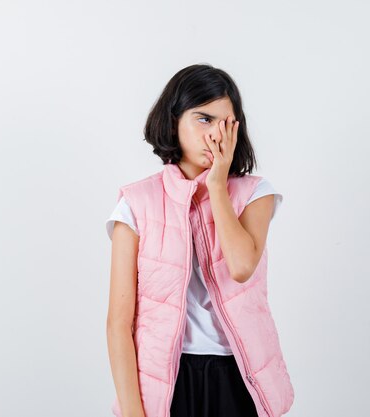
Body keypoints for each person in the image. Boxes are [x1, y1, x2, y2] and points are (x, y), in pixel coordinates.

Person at [105, 63, 294, 417]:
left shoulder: (255, 194)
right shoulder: (136, 203)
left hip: (238, 378)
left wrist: (218, 185)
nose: (215, 134)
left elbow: (240, 267)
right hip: (166, 382)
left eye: (226, 123)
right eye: (203, 119)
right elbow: (119, 321)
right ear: (173, 120)